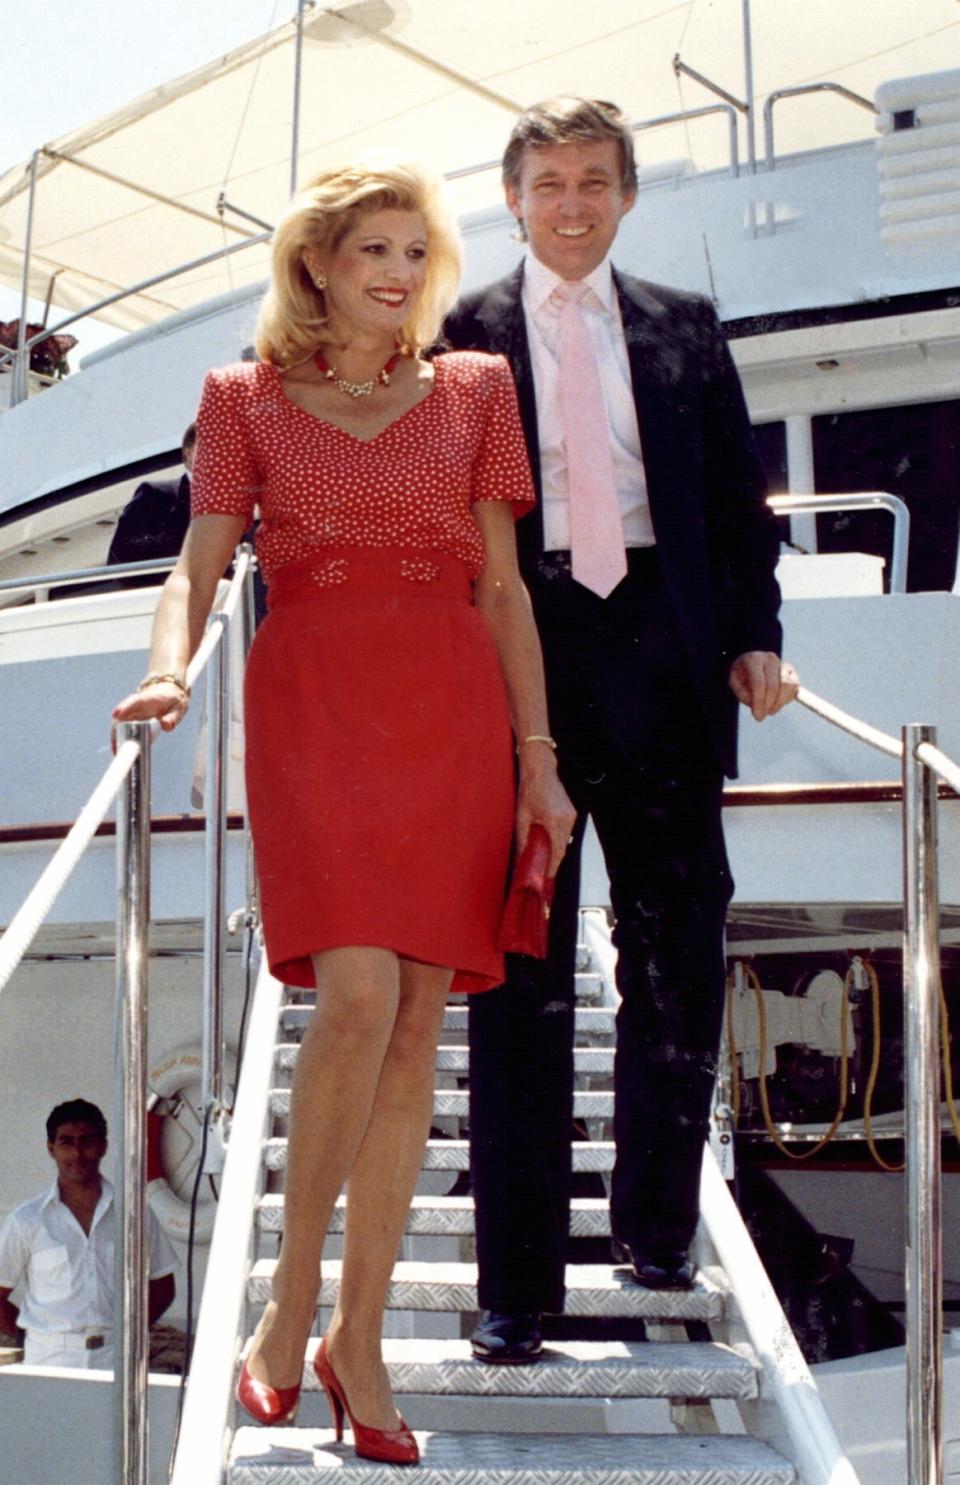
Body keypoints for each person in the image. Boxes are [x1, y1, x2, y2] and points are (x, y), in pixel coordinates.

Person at [112, 160, 574, 1461]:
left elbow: (504, 589)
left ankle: (354, 1337)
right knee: (358, 992)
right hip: (316, 700)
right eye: (372, 248)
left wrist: (537, 758)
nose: (398, 272)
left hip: (454, 711)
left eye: (415, 252)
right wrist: (166, 665)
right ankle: (286, 1292)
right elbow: (199, 566)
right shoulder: (243, 401)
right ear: (315, 265)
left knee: (420, 1017)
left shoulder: (478, 390)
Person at [442, 97, 798, 1365]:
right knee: (520, 982)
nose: (574, 201)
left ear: (628, 193)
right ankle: (516, 1286)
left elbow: (735, 504)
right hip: (521, 665)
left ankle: (652, 1225)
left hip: (664, 653)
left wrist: (757, 634)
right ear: (515, 196)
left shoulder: (684, 327)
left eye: (596, 179)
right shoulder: (463, 335)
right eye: (549, 182)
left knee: (677, 952)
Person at [0, 1099, 176, 1369]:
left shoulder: (134, 1213)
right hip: (48, 1360)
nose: (77, 1153)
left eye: (87, 1141)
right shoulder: (27, 1219)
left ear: (103, 1146)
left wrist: (128, 1333)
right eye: (66, 1142)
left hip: (115, 1359)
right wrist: (29, 1334)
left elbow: (163, 1285)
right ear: (51, 1149)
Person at [106, 423, 196, 584]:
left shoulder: (231, 499)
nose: (219, 454)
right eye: (211, 446)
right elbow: (120, 556)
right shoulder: (155, 494)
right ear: (188, 452)